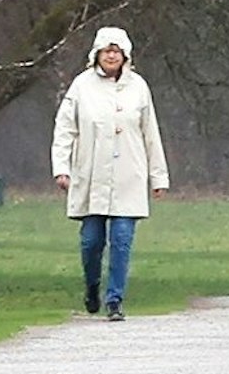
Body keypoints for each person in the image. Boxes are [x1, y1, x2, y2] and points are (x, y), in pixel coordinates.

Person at [51, 26, 170, 322]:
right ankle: (92, 287)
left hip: (129, 175)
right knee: (91, 241)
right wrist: (61, 168)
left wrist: (159, 177)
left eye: (117, 51)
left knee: (122, 238)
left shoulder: (139, 87)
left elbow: (150, 133)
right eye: (107, 50)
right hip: (90, 175)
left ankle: (114, 299)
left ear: (126, 55)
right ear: (97, 54)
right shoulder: (81, 86)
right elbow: (65, 129)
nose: (112, 55)